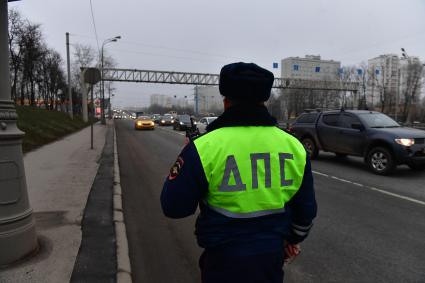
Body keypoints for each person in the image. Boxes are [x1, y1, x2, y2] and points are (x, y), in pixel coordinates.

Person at [161, 62, 317, 283]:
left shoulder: (204, 147)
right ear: (264, 101)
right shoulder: (293, 146)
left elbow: (174, 206)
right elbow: (306, 211)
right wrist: (289, 240)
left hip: (222, 262)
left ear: (226, 102)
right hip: (271, 260)